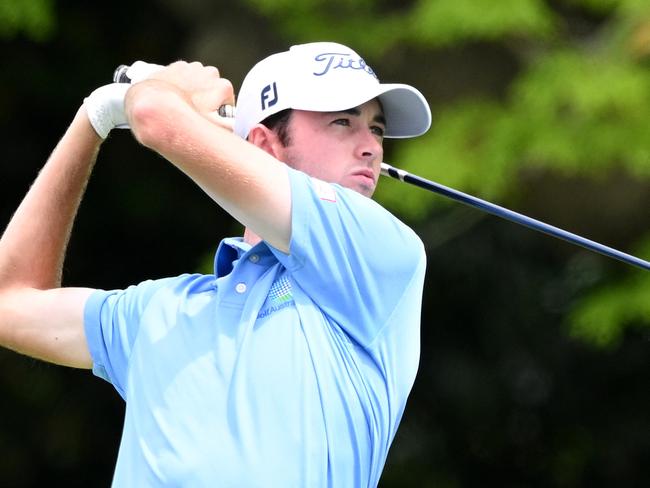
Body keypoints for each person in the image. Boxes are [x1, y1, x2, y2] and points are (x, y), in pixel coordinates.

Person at [0, 42, 431, 486]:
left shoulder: (380, 255)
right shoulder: (161, 312)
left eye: (376, 129)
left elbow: (154, 118)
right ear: (265, 144)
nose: (371, 149)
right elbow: (8, 299)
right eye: (343, 121)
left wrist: (164, 93)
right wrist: (93, 118)